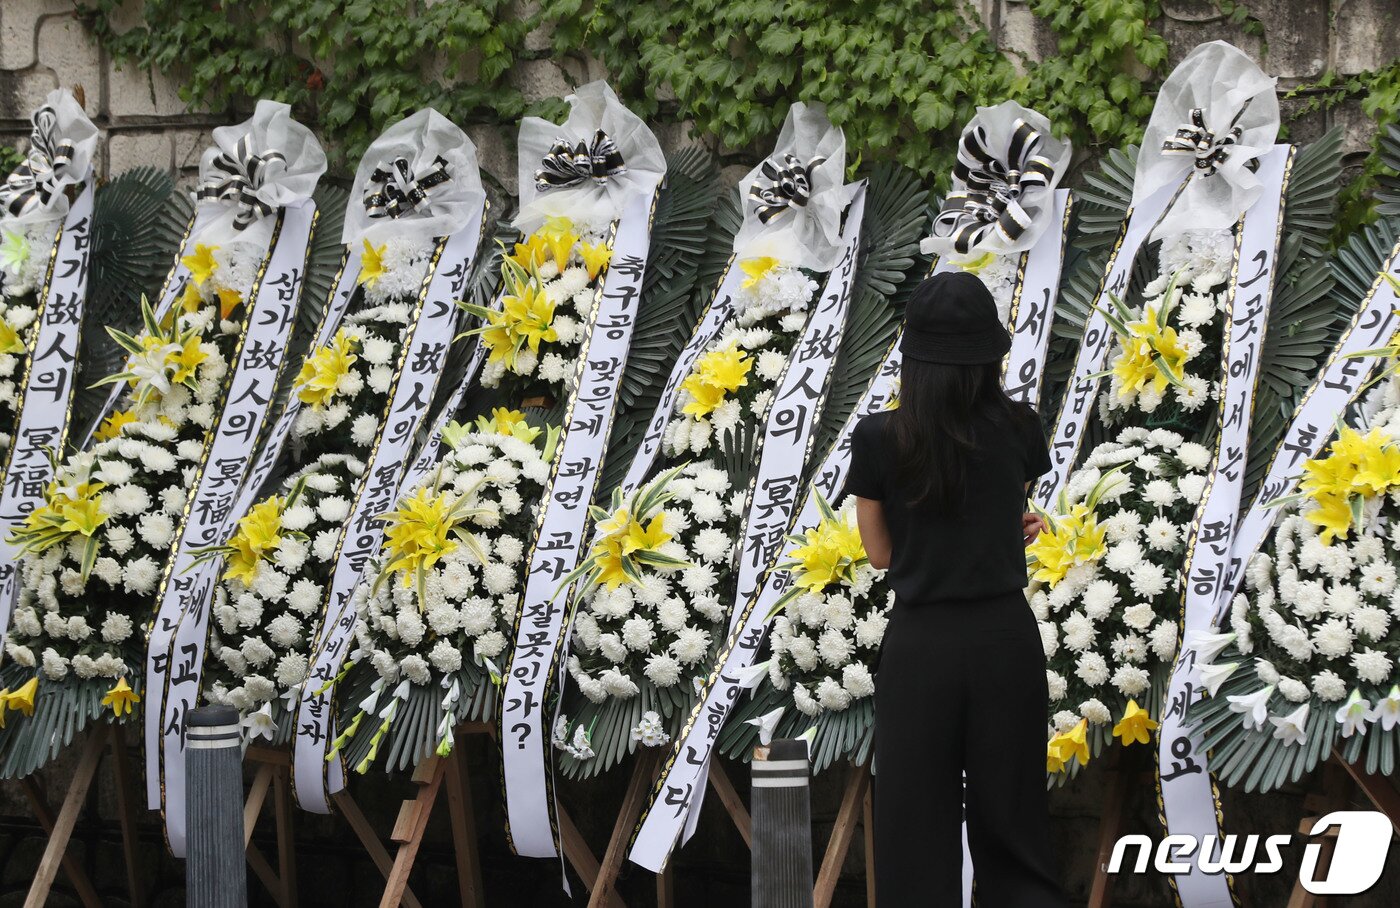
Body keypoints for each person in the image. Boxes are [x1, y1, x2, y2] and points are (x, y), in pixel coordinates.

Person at [845, 271, 1065, 906]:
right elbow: (1006, 515)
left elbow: (882, 555)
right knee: (1015, 824)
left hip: (923, 645)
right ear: (990, 356)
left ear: (913, 358)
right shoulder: (1022, 425)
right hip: (1004, 637)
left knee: (915, 828)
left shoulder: (880, 437)